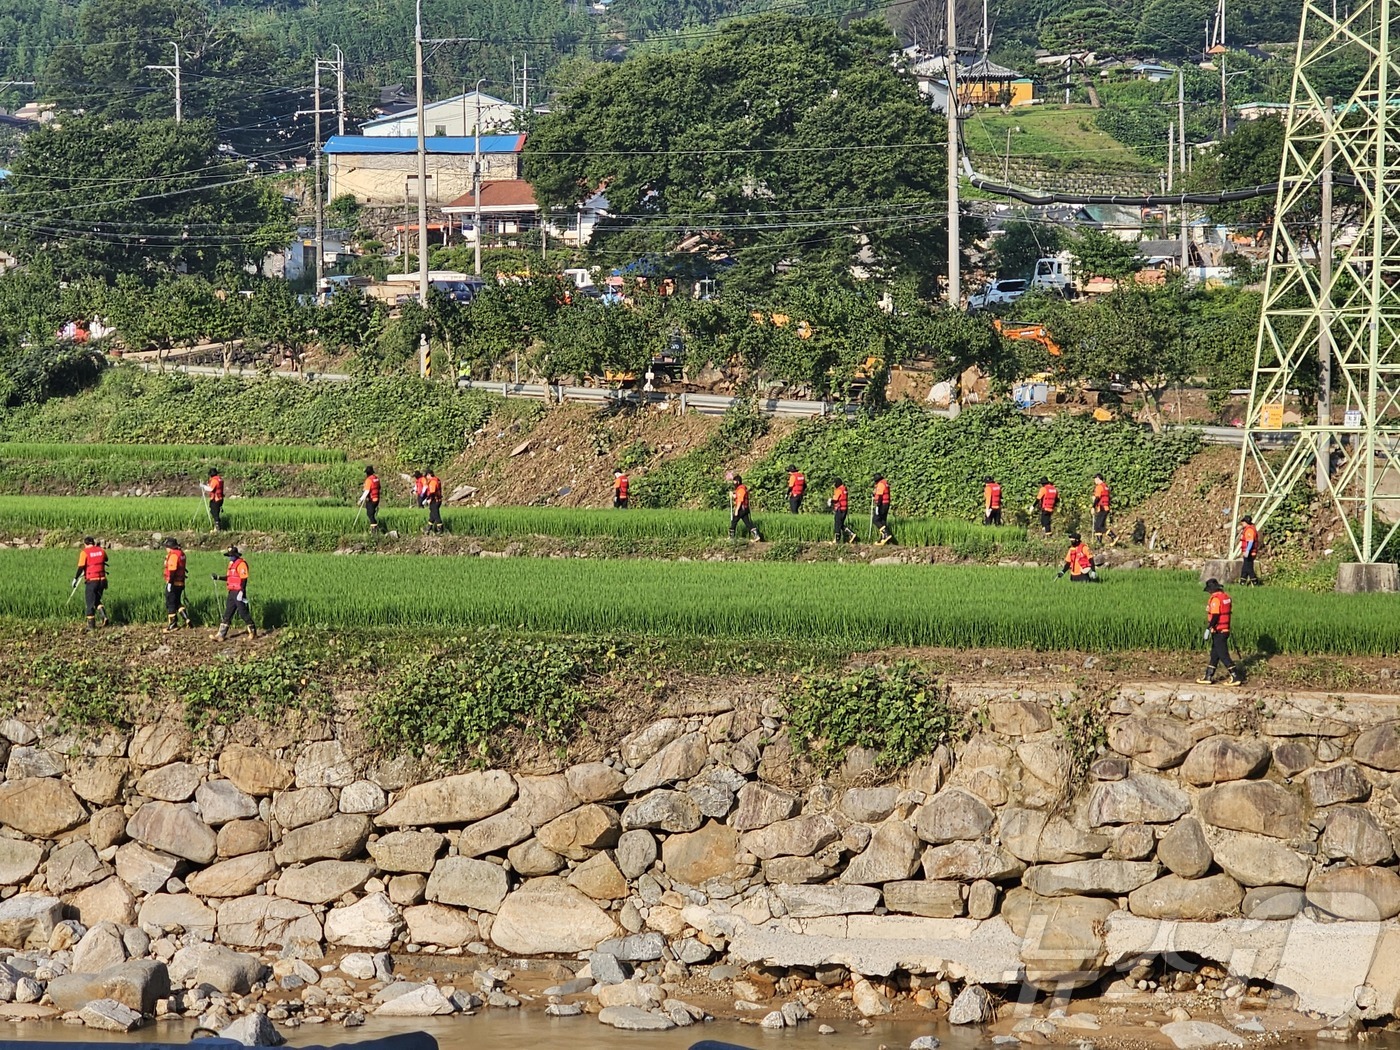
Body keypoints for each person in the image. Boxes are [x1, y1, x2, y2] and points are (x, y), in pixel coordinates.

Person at [1198, 578, 1244, 685]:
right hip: (1225, 629)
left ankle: (1235, 676)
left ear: (1211, 590)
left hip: (1219, 631)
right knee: (1215, 654)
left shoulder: (1216, 600)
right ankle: (1208, 676)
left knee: (1223, 655)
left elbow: (1215, 616)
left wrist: (1209, 627)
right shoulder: (1225, 597)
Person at [212, 546, 256, 641]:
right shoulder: (231, 565)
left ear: (236, 555)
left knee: (243, 612)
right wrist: (218, 577)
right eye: (229, 556)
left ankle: (252, 632)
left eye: (231, 556)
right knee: (228, 613)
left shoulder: (241, 564)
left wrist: (242, 591)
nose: (230, 558)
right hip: (231, 592)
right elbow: (229, 577)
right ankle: (221, 634)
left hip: (239, 592)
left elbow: (244, 579)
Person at [74, 537, 108, 631]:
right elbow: (106, 559)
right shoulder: (101, 550)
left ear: (85, 544)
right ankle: (104, 616)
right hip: (102, 580)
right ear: (93, 543)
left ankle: (91, 626)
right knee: (96, 600)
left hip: (92, 580)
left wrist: (75, 578)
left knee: (89, 603)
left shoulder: (84, 552)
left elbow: (81, 567)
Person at [162, 537, 190, 631]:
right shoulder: (181, 553)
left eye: (166, 547)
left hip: (174, 583)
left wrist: (170, 583)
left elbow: (172, 570)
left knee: (170, 603)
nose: (166, 549)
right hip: (181, 583)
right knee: (177, 602)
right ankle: (187, 619)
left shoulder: (174, 555)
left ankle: (173, 625)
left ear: (170, 547)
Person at [729, 475, 761, 541]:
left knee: (734, 521)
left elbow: (740, 501)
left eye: (734, 482)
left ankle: (731, 537)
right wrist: (733, 495)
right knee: (748, 523)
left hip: (741, 508)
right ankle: (756, 536)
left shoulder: (741, 489)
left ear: (738, 481)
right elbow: (737, 497)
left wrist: (736, 510)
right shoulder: (741, 489)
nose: (734, 483)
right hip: (745, 509)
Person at [829, 478, 858, 543]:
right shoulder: (844, 489)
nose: (834, 485)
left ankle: (837, 540)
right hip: (844, 509)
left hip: (839, 510)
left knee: (837, 524)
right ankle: (852, 534)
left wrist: (830, 501)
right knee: (841, 524)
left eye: (834, 483)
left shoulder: (839, 490)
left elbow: (835, 499)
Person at [1091, 474, 1116, 544]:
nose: (1094, 481)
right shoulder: (1105, 486)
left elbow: (1097, 497)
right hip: (1106, 507)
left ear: (1098, 479)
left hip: (1102, 508)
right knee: (1098, 526)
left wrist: (1093, 507)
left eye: (1095, 479)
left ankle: (1113, 536)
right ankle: (1099, 543)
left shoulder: (1099, 487)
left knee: (1098, 526)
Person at [872, 474, 895, 545]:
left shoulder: (881, 484)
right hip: (886, 504)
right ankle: (883, 539)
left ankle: (886, 534)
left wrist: (877, 506)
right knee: (882, 521)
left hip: (882, 504)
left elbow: (880, 496)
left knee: (875, 520)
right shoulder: (885, 483)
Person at [1239, 515, 1260, 585]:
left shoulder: (1249, 530)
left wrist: (1247, 551)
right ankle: (1242, 582)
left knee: (1248, 568)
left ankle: (1255, 581)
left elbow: (1250, 541)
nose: (1242, 523)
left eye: (1243, 522)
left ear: (1246, 522)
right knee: (1245, 567)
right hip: (1248, 552)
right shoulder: (1248, 529)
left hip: (1250, 553)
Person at [360, 466, 382, 532]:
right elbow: (379, 487)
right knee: (372, 513)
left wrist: (361, 500)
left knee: (370, 514)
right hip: (377, 499)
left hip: (371, 499)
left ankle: (374, 530)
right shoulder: (376, 478)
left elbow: (366, 491)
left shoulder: (369, 480)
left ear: (367, 473)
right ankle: (374, 528)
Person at [422, 469, 444, 534]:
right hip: (438, 500)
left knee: (436, 515)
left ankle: (440, 530)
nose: (426, 478)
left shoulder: (433, 482)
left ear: (429, 475)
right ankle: (428, 529)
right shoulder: (437, 479)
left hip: (434, 500)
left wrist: (427, 499)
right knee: (432, 515)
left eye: (426, 476)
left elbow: (432, 492)